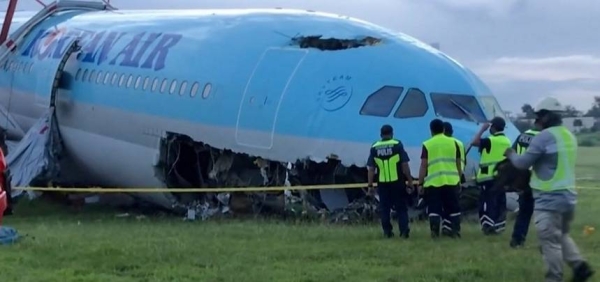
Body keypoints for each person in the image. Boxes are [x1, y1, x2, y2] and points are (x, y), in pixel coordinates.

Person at [505, 97, 594, 282]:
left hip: (549, 197)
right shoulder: (568, 135)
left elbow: (523, 163)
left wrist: (511, 154)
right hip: (568, 196)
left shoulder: (544, 137)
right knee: (560, 234)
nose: (536, 120)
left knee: (549, 242)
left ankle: (554, 278)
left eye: (539, 116)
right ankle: (580, 267)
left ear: (547, 117)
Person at [367, 124, 415, 239]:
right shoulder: (397, 144)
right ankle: (404, 232)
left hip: (382, 183)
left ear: (381, 134)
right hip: (397, 182)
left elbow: (371, 169)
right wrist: (409, 180)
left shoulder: (374, 147)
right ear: (392, 133)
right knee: (401, 208)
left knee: (384, 209)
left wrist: (370, 185)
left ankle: (387, 232)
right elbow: (404, 165)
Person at [418, 119, 462, 238]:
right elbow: (458, 163)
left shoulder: (427, 144)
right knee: (453, 208)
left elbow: (423, 165)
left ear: (431, 131)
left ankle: (435, 233)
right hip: (452, 181)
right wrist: (459, 178)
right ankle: (455, 232)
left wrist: (420, 183)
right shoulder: (454, 143)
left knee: (434, 209)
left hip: (433, 182)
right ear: (443, 129)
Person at [470, 117, 511, 235]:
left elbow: (474, 142)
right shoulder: (507, 141)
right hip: (501, 177)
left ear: (492, 127)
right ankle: (499, 226)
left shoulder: (491, 140)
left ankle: (488, 226)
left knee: (487, 202)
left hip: (487, 177)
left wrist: (482, 130)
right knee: (499, 202)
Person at [509, 120, 541, 248]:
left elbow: (513, 152)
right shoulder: (541, 137)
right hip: (537, 177)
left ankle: (517, 240)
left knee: (524, 211)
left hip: (523, 176)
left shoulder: (522, 135)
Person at [441, 122, 466, 236]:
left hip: (443, 177)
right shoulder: (459, 143)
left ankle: (447, 227)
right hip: (456, 177)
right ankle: (455, 229)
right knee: (455, 206)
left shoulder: (442, 143)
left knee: (445, 205)